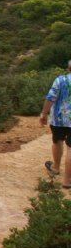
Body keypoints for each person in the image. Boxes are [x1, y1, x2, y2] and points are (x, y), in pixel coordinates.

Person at [41, 60, 71, 189]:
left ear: (68, 68)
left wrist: (44, 114)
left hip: (58, 119)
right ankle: (67, 181)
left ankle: (56, 168)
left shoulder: (60, 80)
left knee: (57, 141)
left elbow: (50, 97)